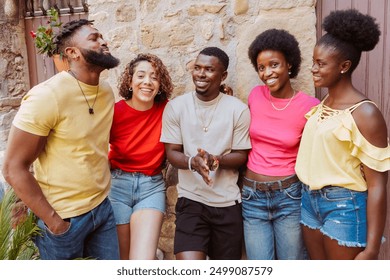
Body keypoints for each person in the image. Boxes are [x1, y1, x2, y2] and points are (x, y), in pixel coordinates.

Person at [2, 19, 121, 260]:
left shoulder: (107, 92)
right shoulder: (47, 96)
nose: (103, 41)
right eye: (94, 38)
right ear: (72, 53)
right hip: (64, 220)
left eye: (101, 36)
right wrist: (55, 223)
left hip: (102, 210)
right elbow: (13, 167)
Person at [296, 9, 390, 260]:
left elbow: (378, 184)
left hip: (344, 206)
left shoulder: (365, 113)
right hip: (309, 203)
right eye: (314, 61)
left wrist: (371, 249)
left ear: (344, 66)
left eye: (321, 63)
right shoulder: (323, 105)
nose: (313, 69)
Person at [161, 47, 251, 260]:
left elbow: (241, 155)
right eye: (197, 68)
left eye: (209, 69)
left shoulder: (238, 110)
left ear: (223, 76)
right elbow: (171, 152)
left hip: (227, 205)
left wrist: (216, 159)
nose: (200, 74)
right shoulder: (176, 107)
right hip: (191, 202)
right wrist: (193, 161)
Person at [241, 29, 320, 260]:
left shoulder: (309, 105)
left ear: (289, 64)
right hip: (252, 197)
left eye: (274, 65)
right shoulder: (255, 95)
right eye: (261, 67)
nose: (267, 73)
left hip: (289, 197)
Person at [108, 53, 173, 260]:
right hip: (117, 186)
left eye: (154, 77)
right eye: (141, 76)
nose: (147, 82)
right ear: (130, 81)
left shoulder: (168, 110)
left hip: (151, 187)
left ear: (160, 83)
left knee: (141, 262)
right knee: (123, 258)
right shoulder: (114, 112)